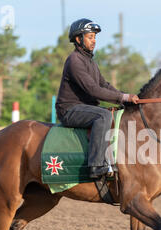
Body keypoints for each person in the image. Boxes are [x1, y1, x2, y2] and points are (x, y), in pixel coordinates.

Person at [56, 18, 139, 178]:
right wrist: (123, 96)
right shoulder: (74, 61)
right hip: (69, 110)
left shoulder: (90, 62)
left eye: (95, 37)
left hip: (85, 108)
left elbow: (104, 85)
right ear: (79, 39)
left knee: (113, 114)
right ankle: (95, 165)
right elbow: (93, 90)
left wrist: (124, 99)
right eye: (90, 37)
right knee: (104, 115)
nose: (94, 41)